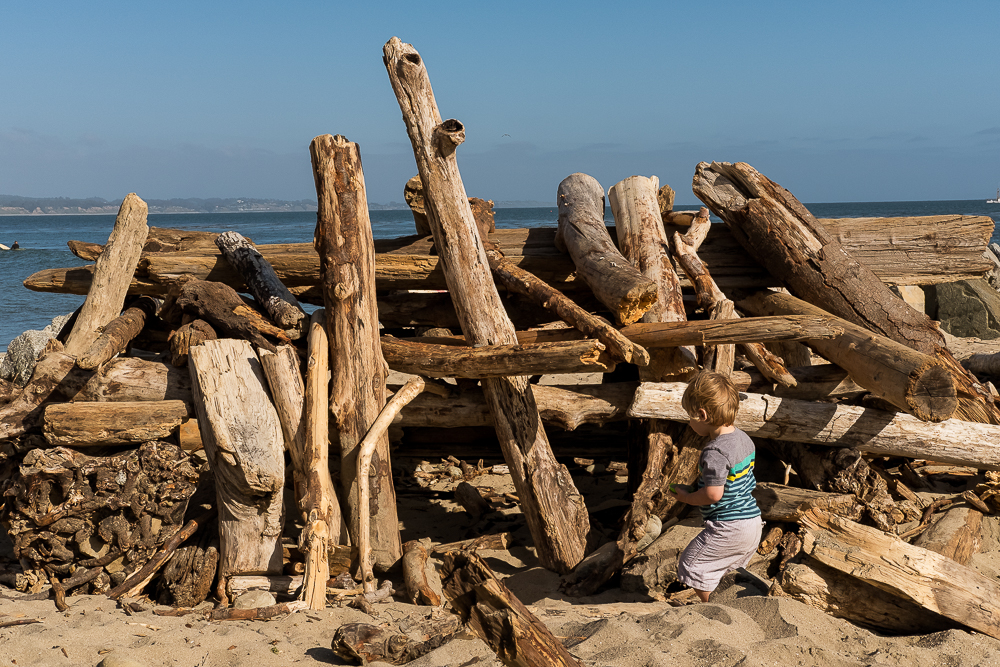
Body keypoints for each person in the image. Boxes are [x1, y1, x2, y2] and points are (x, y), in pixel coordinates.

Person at [669, 371, 763, 602]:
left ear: (702, 415)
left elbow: (713, 494)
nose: (689, 422)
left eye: (689, 417)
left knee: (692, 564)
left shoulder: (715, 451)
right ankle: (741, 601)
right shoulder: (744, 438)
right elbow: (732, 482)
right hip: (752, 522)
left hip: (729, 526)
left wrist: (686, 498)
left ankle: (714, 607)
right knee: (723, 569)